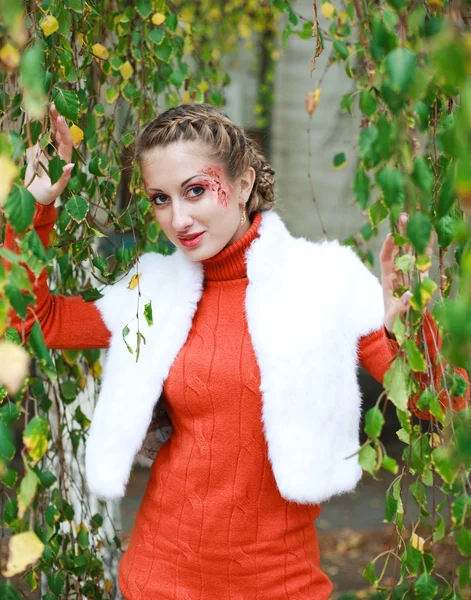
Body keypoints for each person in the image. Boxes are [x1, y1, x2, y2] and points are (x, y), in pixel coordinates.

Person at [3, 103, 468, 600]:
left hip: (279, 586)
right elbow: (33, 320)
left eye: (196, 190)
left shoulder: (326, 283)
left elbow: (439, 404)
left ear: (244, 184)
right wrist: (33, 212)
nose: (178, 218)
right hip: (157, 581)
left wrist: (415, 328)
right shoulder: (152, 292)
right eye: (160, 199)